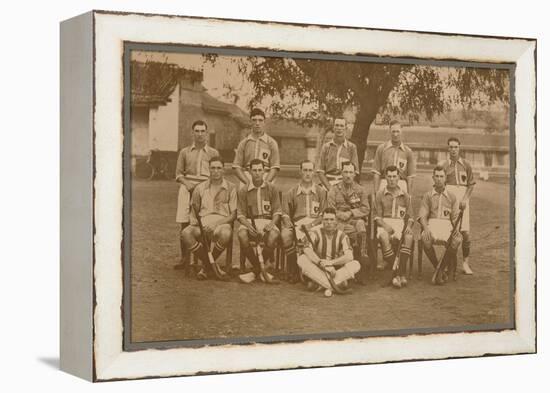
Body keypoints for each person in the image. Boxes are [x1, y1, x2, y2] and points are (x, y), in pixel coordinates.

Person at [174, 120, 220, 274]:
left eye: (203, 131)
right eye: (197, 131)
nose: (200, 134)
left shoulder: (213, 153)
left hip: (206, 188)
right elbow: (178, 174)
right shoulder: (184, 152)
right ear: (192, 133)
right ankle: (184, 257)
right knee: (184, 222)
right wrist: (186, 183)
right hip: (188, 187)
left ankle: (203, 257)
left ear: (206, 133)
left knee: (203, 221)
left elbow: (216, 174)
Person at [181, 157, 237, 280]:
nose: (216, 171)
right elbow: (193, 210)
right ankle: (212, 265)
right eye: (213, 168)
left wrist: (216, 224)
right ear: (209, 169)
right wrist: (196, 224)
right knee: (185, 233)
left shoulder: (231, 188)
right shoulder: (199, 188)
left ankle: (206, 267)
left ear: (224, 170)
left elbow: (233, 215)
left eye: (219, 168)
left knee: (226, 233)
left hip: (221, 223)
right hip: (203, 222)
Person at [280, 160, 327, 283]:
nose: (307, 173)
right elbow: (285, 212)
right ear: (300, 172)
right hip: (298, 224)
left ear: (314, 173)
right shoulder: (291, 192)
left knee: (316, 238)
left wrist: (311, 225)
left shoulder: (321, 192)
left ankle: (315, 271)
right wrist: (286, 219)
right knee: (285, 235)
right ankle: (294, 269)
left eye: (310, 170)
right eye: (305, 170)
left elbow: (323, 214)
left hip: (316, 224)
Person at [297, 208, 361, 297]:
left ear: (336, 221)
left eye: (332, 219)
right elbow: (307, 250)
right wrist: (319, 262)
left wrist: (330, 263)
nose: (329, 222)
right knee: (302, 259)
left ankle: (321, 284)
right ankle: (334, 285)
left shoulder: (342, 235)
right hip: (318, 269)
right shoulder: (315, 233)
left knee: (355, 264)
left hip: (334, 271)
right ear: (322, 221)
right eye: (326, 219)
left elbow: (349, 256)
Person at [237, 159, 282, 284]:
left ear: (264, 171)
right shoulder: (243, 190)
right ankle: (260, 269)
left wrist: (271, 224)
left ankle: (255, 271)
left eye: (260, 170)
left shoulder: (272, 188)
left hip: (267, 220)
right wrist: (248, 226)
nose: (257, 173)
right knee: (242, 235)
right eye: (254, 170)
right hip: (249, 222)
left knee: (273, 235)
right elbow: (240, 214)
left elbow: (277, 211)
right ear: (249, 172)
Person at [418, 166, 463, 284]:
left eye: (441, 176)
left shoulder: (452, 196)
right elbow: (422, 216)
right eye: (436, 176)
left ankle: (440, 269)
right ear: (433, 178)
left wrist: (456, 229)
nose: (439, 179)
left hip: (447, 225)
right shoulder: (428, 196)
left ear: (445, 178)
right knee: (425, 238)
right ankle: (439, 268)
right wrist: (426, 228)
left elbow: (454, 217)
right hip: (432, 224)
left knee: (457, 239)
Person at [327, 161, 370, 284]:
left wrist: (351, 213)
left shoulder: (360, 190)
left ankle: (362, 256)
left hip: (354, 220)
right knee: (342, 232)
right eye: (345, 172)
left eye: (351, 172)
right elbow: (330, 209)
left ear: (355, 174)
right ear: (341, 173)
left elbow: (366, 209)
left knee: (361, 224)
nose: (348, 175)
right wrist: (341, 215)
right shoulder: (334, 189)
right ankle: (340, 268)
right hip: (338, 222)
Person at [438, 137, 476, 275]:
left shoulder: (466, 164)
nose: (453, 150)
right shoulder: (443, 165)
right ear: (447, 149)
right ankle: (448, 263)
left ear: (459, 148)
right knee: (450, 232)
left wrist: (465, 198)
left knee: (465, 233)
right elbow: (439, 183)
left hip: (463, 201)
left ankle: (465, 263)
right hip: (449, 200)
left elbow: (471, 184)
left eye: (456, 147)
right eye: (451, 147)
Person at [374, 165, 415, 287]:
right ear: (385, 177)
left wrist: (408, 226)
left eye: (394, 176)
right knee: (384, 236)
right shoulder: (380, 194)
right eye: (389, 176)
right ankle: (399, 273)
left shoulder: (405, 195)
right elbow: (376, 217)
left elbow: (411, 216)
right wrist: (386, 226)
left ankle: (399, 273)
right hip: (385, 223)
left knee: (409, 237)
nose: (392, 179)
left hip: (400, 223)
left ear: (399, 178)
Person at [232, 108, 280, 186]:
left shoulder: (271, 143)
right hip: (247, 176)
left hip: (266, 176)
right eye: (254, 120)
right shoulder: (243, 143)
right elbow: (236, 166)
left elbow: (275, 167)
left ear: (264, 122)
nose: (257, 123)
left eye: (260, 120)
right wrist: (247, 182)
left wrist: (266, 183)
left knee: (266, 197)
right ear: (250, 122)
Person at [372, 120, 416, 194]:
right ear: (390, 132)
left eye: (398, 131)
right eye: (393, 131)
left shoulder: (408, 151)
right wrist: (376, 192)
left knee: (401, 205)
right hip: (385, 182)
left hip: (401, 183)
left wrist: (409, 195)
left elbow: (410, 176)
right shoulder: (382, 148)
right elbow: (376, 172)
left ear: (401, 132)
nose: (395, 134)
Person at [316, 117, 360, 191]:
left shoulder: (351, 147)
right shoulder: (326, 147)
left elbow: (355, 171)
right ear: (333, 128)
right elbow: (320, 171)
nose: (339, 128)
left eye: (341, 126)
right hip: (328, 183)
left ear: (346, 128)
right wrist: (330, 188)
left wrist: (345, 186)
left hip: (346, 183)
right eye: (337, 125)